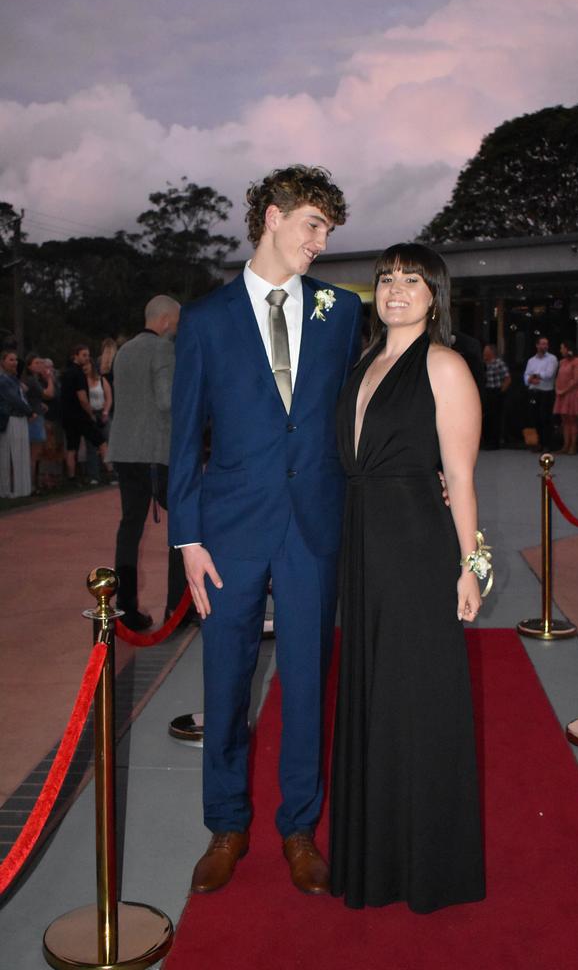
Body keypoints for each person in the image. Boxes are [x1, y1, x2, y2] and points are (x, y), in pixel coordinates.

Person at [168, 165, 363, 896]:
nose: (321, 242)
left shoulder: (341, 311)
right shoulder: (207, 319)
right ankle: (226, 823)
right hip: (228, 532)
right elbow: (185, 438)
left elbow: (353, 415)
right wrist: (188, 540)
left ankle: (298, 827)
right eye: (314, 225)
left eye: (328, 231)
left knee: (309, 679)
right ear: (273, 218)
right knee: (226, 678)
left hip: (314, 523)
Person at [329, 243, 486, 913]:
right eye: (388, 278)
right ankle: (376, 857)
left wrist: (471, 566)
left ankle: (428, 868)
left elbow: (461, 478)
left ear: (434, 295)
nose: (396, 289)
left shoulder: (444, 366)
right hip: (362, 546)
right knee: (374, 697)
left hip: (417, 550)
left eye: (412, 280)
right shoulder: (364, 362)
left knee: (415, 702)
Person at [108, 295, 186, 631]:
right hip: (156, 452)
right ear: (167, 320)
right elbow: (168, 400)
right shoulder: (163, 349)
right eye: (178, 320)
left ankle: (125, 608)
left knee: (130, 527)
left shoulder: (123, 350)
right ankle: (177, 608)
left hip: (125, 451)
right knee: (184, 522)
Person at [60, 344, 108, 484]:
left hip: (68, 417)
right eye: (84, 355)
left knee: (71, 448)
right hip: (80, 416)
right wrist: (91, 414)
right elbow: (82, 398)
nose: (87, 358)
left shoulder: (66, 373)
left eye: (88, 355)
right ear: (76, 356)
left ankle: (72, 478)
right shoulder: (78, 373)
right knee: (101, 442)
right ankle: (111, 472)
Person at [0, 349, 33, 499]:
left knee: (21, 454)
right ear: (3, 362)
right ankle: (7, 490)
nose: (15, 363)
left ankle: (22, 489)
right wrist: (30, 411)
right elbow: (14, 399)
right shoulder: (3, 380)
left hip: (20, 418)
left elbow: (21, 397)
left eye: (15, 360)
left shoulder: (13, 379)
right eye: (10, 360)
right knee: (8, 455)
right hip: (11, 419)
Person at [21, 353, 55, 492]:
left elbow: (29, 397)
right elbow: (49, 394)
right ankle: (32, 485)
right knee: (33, 454)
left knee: (32, 454)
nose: (40, 365)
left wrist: (39, 403)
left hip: (33, 415)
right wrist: (49, 379)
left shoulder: (29, 380)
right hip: (35, 419)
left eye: (41, 362)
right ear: (29, 366)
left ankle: (30, 484)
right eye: (37, 363)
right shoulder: (32, 380)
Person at [81, 355, 112, 484]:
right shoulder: (81, 382)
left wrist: (105, 411)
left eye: (87, 364)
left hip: (102, 412)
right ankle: (94, 476)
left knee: (108, 443)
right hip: (90, 414)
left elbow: (109, 397)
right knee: (92, 446)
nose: (85, 367)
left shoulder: (101, 380)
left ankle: (113, 473)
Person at [523, 336, 558, 452]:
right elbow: (526, 375)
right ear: (537, 345)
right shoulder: (531, 360)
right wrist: (531, 379)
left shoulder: (552, 359)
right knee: (535, 418)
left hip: (546, 393)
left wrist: (534, 375)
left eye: (546, 344)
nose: (544, 346)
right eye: (542, 344)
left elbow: (548, 374)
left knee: (546, 419)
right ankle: (538, 443)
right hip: (534, 392)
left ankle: (547, 444)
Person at [553, 340, 578, 455]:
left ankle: (573, 446)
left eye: (562, 348)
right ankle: (565, 445)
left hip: (572, 394)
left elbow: (576, 380)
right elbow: (558, 377)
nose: (561, 350)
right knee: (564, 420)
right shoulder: (562, 362)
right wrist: (557, 389)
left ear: (568, 349)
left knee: (572, 420)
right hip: (561, 393)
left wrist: (564, 390)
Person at [482, 343, 511, 448]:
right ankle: (487, 441)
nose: (484, 353)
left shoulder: (499, 363)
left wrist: (501, 392)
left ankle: (495, 442)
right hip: (487, 390)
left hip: (496, 391)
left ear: (491, 352)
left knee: (496, 417)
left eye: (486, 351)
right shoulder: (484, 364)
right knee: (487, 417)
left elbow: (507, 378)